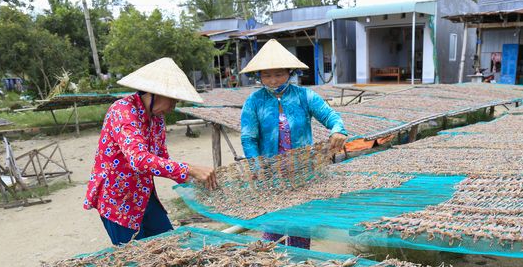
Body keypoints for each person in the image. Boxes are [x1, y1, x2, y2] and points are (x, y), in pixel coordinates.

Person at [84, 57, 217, 245]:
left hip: (144, 196)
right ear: (154, 93)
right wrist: (189, 169)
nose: (172, 107)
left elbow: (161, 158)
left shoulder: (156, 119)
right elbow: (138, 159)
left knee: (169, 244)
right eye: (172, 100)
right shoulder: (122, 112)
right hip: (117, 200)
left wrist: (191, 180)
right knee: (136, 259)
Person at [239, 39, 347, 249]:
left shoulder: (304, 96)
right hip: (271, 174)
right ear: (259, 76)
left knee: (300, 226)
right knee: (273, 225)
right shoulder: (254, 101)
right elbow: (248, 138)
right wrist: (257, 167)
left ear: (289, 72)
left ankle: (299, 263)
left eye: (279, 74)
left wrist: (338, 130)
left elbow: (331, 116)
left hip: (303, 173)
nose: (273, 80)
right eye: (267, 75)